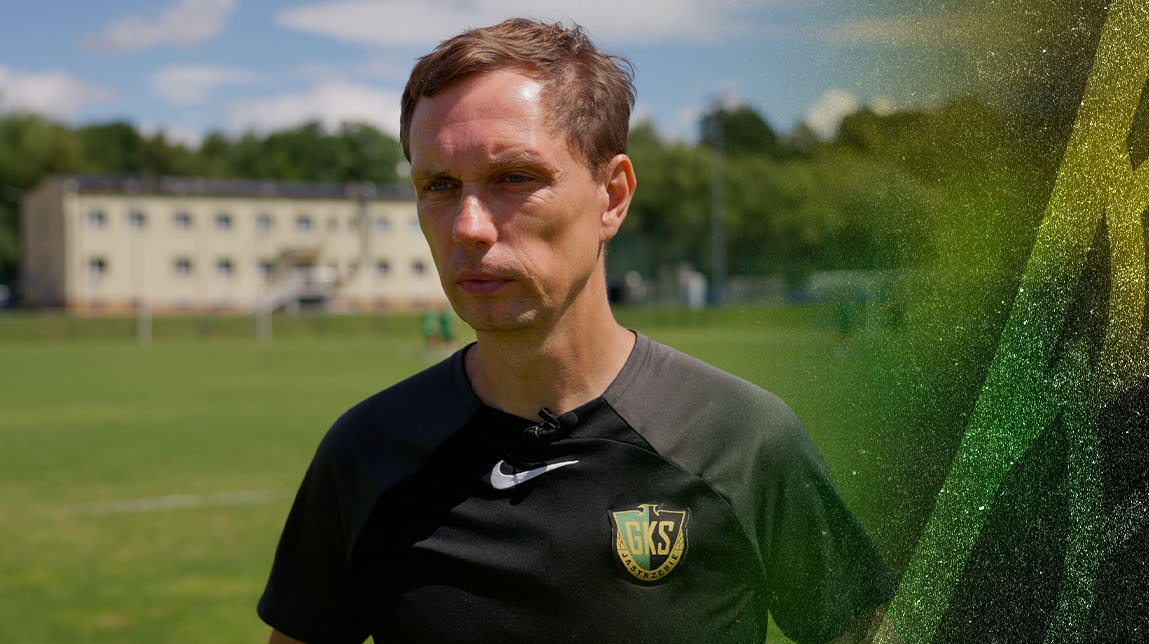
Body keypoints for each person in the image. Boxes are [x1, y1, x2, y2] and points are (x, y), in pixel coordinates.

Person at [259, 18, 899, 644]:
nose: (468, 226)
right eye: (439, 185)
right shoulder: (365, 454)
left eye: (514, 178)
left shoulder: (740, 441)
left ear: (612, 196)